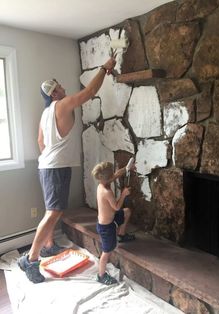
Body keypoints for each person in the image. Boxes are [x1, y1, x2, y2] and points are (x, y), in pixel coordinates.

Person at [18, 57, 117, 284]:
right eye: (59, 86)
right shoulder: (62, 105)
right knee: (53, 212)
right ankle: (30, 260)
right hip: (55, 167)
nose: (63, 87)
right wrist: (104, 68)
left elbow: (40, 141)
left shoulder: (46, 113)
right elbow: (90, 92)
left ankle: (48, 246)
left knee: (55, 210)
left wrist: (51, 156)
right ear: (54, 94)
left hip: (50, 166)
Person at [91, 161, 135, 285]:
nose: (114, 175)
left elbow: (116, 174)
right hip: (106, 227)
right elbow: (116, 207)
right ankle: (101, 275)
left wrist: (127, 167)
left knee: (127, 212)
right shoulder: (106, 192)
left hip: (112, 220)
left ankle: (121, 235)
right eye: (112, 175)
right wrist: (123, 194)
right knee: (107, 251)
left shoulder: (102, 183)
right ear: (108, 178)